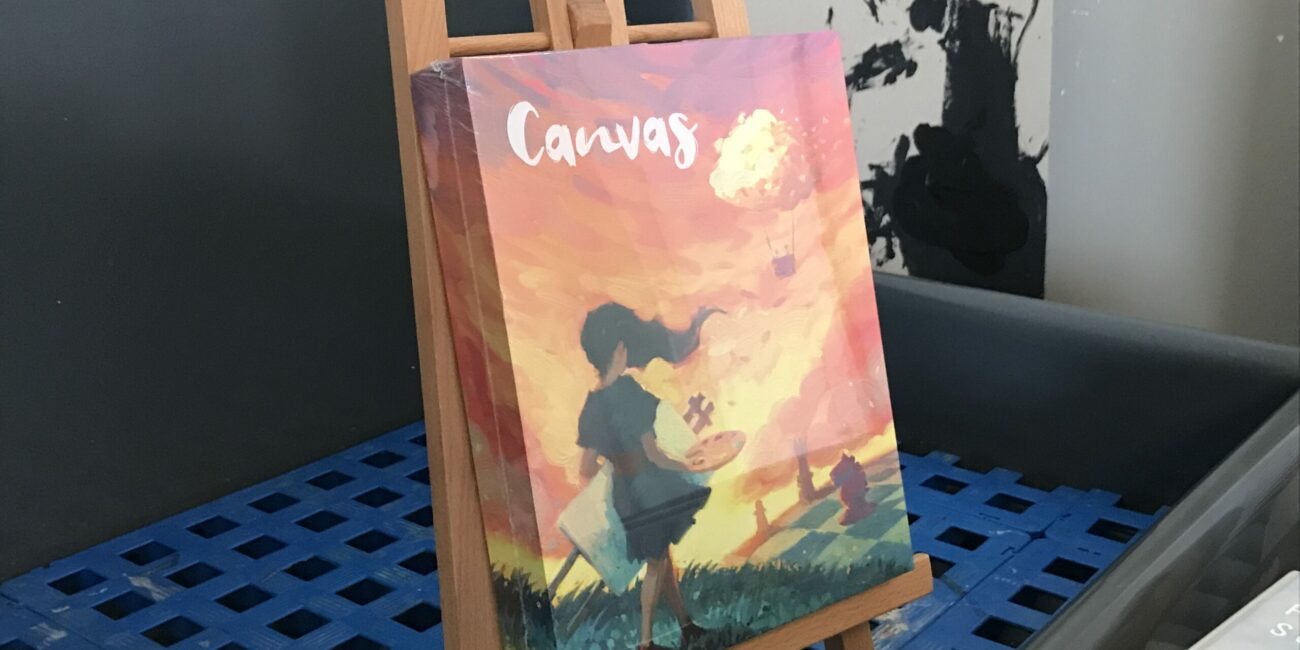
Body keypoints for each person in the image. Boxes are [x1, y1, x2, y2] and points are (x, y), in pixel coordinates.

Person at [576, 302, 721, 650]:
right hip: (650, 490)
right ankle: (645, 642)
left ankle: (685, 626)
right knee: (656, 565)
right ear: (620, 349)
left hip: (625, 493)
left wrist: (617, 468)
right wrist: (687, 466)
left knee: (661, 557)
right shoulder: (628, 393)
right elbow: (654, 454)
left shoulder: (591, 406)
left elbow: (586, 469)